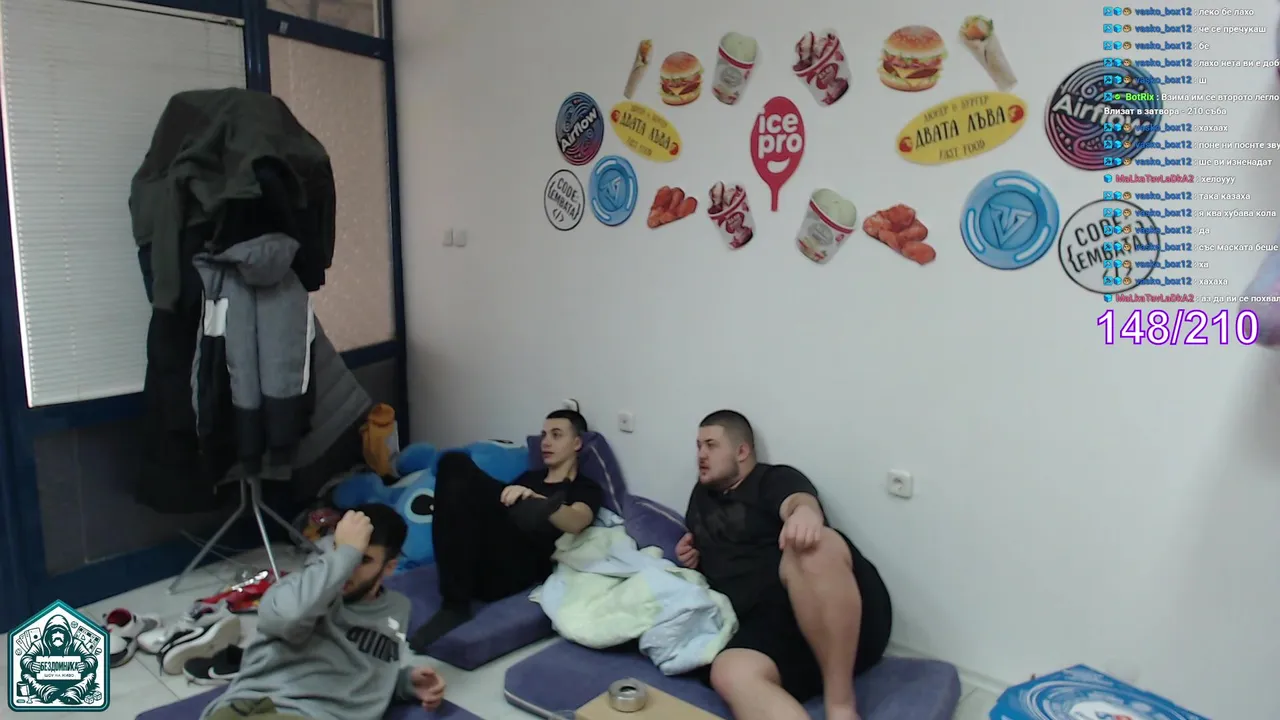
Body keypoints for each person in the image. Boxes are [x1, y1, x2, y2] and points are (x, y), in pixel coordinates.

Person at [678, 410, 892, 720]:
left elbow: (798, 500)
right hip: (767, 627)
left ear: (742, 451)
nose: (701, 454)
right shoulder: (700, 497)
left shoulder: (771, 479)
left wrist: (804, 513)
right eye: (698, 446)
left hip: (832, 617)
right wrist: (691, 556)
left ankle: (840, 706)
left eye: (711, 445)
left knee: (815, 545)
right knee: (729, 671)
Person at [200, 504, 446, 720]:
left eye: (363, 560)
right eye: (344, 551)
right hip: (263, 706)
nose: (349, 568)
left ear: (389, 567)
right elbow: (287, 617)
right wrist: (346, 555)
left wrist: (403, 683)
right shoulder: (301, 589)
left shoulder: (398, 608)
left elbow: (365, 666)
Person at [409, 409, 604, 650]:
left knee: (521, 508)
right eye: (543, 435)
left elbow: (577, 521)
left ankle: (455, 606)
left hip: (515, 569)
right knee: (453, 462)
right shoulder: (528, 478)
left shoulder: (584, 487)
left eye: (556, 435)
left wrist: (538, 501)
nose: (545, 442)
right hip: (481, 561)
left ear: (576, 443)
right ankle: (455, 601)